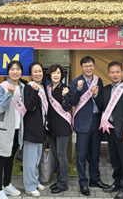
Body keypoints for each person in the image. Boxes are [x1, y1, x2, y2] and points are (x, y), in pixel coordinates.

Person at [68, 56, 109, 196]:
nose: (88, 68)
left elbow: (102, 102)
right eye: (86, 66)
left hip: (96, 121)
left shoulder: (99, 81)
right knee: (81, 155)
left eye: (91, 65)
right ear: (82, 68)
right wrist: (78, 90)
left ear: (94, 66)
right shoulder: (76, 82)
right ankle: (83, 183)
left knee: (95, 154)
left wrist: (97, 95)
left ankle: (95, 179)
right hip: (82, 123)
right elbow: (72, 102)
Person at [100, 61, 123, 199]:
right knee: (114, 159)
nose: (115, 74)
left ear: (122, 73)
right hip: (110, 129)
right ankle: (116, 182)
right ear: (108, 74)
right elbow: (101, 106)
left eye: (117, 72)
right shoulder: (105, 89)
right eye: (112, 72)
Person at [0, 61, 25, 199]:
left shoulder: (23, 87)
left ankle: (7, 185)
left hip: (18, 129)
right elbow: (0, 108)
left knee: (11, 158)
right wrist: (9, 94)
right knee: (1, 159)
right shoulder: (2, 87)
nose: (15, 72)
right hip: (5, 129)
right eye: (12, 69)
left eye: (18, 69)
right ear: (8, 72)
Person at [45, 64, 72, 194]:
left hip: (63, 127)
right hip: (51, 127)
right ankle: (59, 180)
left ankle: (63, 183)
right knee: (56, 156)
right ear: (50, 75)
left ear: (62, 75)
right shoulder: (47, 89)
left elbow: (67, 108)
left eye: (58, 73)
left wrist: (65, 96)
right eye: (53, 72)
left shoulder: (65, 88)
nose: (56, 75)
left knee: (61, 156)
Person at [23, 62, 47, 197]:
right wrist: (35, 92)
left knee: (37, 158)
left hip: (40, 128)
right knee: (30, 160)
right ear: (31, 74)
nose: (38, 74)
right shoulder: (30, 87)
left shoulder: (42, 87)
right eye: (35, 72)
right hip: (31, 129)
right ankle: (29, 186)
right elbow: (29, 106)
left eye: (40, 71)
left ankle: (35, 180)